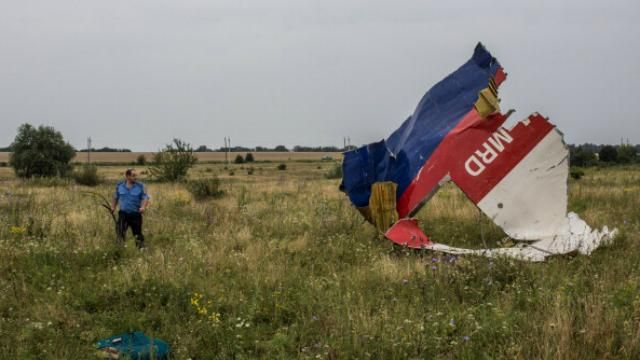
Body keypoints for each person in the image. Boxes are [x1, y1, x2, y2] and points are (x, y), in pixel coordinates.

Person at [110, 168, 150, 249]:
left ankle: (141, 249)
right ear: (127, 176)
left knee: (137, 233)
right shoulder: (119, 186)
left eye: (136, 175)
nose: (136, 177)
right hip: (123, 214)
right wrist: (113, 207)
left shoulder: (141, 186)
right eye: (133, 175)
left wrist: (143, 207)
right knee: (120, 231)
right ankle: (120, 248)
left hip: (135, 214)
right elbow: (115, 197)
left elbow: (145, 197)